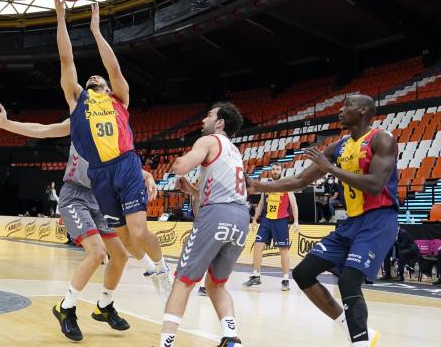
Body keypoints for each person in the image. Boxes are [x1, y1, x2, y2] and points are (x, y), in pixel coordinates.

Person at [0, 108, 163, 341]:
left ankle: (104, 306)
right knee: (97, 254)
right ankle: (66, 308)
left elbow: (123, 164)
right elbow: (42, 130)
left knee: (120, 255)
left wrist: (147, 175)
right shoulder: (79, 122)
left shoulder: (114, 130)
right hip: (75, 195)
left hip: (99, 196)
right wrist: (6, 124)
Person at [247, 94, 398, 347]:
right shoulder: (337, 147)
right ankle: (356, 331)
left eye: (347, 106)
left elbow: (375, 185)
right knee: (304, 273)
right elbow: (299, 181)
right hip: (352, 222)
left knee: (349, 280)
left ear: (363, 111)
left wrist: (332, 170)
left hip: (379, 220)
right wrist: (259, 186)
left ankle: (360, 342)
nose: (340, 110)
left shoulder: (382, 139)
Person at [54, 0, 172, 301]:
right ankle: (148, 267)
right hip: (100, 174)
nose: (96, 76)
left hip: (126, 164)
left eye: (100, 79)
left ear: (107, 88)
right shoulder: (77, 101)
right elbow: (66, 59)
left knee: (137, 231)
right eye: (91, 78)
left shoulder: (118, 98)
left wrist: (95, 30)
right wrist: (60, 16)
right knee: (122, 239)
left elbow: (115, 70)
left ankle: (162, 270)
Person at [160, 102, 248, 347]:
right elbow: (207, 197)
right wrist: (193, 191)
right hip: (241, 219)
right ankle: (231, 338)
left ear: (219, 122)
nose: (203, 120)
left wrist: (178, 163)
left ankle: (165, 343)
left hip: (217, 215)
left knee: (183, 280)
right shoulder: (234, 151)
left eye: (208, 116)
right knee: (215, 284)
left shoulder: (209, 141)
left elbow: (181, 167)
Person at [244, 162, 299, 291]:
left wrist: (296, 221)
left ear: (281, 171)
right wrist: (254, 219)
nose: (275, 171)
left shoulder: (286, 186)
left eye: (277, 169)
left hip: (280, 221)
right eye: (273, 169)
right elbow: (261, 204)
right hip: (266, 220)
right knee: (258, 245)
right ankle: (256, 276)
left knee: (283, 250)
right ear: (271, 171)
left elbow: (294, 204)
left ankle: (285, 279)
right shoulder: (267, 185)